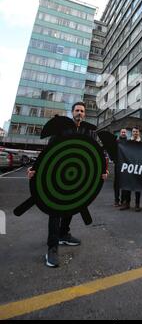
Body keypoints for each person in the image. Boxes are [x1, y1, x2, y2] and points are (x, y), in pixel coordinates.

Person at [27, 102, 108, 268]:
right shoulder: (61, 129)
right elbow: (48, 152)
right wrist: (34, 170)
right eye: (77, 110)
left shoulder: (90, 132)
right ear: (72, 113)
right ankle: (52, 247)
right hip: (57, 177)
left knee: (74, 203)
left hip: (78, 177)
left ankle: (64, 234)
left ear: (85, 114)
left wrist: (103, 172)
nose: (80, 113)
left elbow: (97, 154)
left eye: (82, 111)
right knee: (55, 209)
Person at [120, 126, 142, 212]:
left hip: (138, 167)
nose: (135, 133)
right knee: (127, 186)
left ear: (139, 133)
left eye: (136, 131)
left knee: (138, 187)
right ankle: (127, 203)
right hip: (129, 167)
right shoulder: (127, 142)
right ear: (132, 133)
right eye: (134, 131)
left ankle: (137, 204)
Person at [113, 128, 128, 207]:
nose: (123, 133)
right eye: (122, 132)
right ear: (120, 133)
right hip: (118, 164)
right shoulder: (116, 142)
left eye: (124, 132)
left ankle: (123, 200)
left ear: (126, 133)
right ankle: (116, 200)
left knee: (124, 182)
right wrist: (114, 160)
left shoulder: (128, 143)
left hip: (125, 165)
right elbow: (112, 151)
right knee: (117, 183)